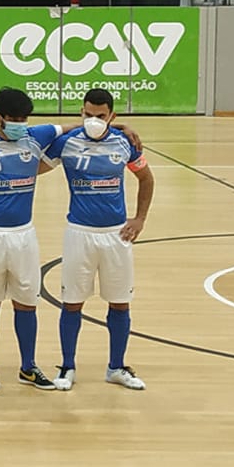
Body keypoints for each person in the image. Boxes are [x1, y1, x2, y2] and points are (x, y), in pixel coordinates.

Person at [45, 89, 155, 391]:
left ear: (111, 116)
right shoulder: (66, 142)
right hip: (79, 234)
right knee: (72, 303)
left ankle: (116, 367)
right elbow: (34, 165)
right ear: (81, 113)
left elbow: (146, 178)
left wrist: (140, 218)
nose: (93, 120)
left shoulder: (125, 143)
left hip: (116, 235)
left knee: (120, 303)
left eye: (101, 116)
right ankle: (67, 366)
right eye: (88, 114)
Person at [0, 87, 60, 391]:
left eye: (23, 119)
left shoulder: (36, 137)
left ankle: (28, 367)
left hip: (24, 234)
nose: (20, 123)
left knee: (27, 302)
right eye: (14, 119)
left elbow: (76, 127)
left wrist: (121, 126)